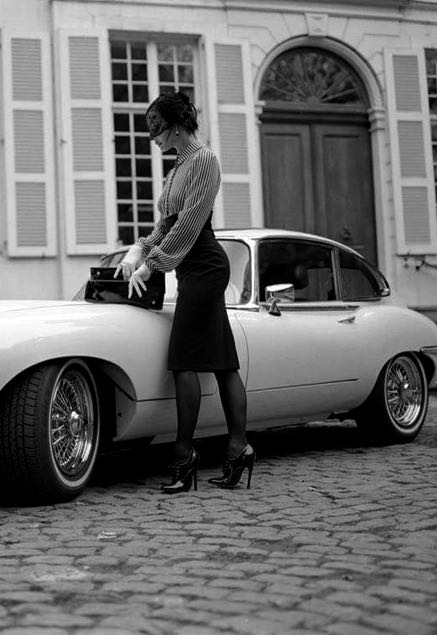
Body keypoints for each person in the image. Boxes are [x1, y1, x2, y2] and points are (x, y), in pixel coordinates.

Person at [114, 91, 253, 494]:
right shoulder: (177, 166)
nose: (152, 138)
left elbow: (190, 224)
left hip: (206, 267)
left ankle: (183, 455)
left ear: (175, 126)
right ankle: (238, 449)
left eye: (156, 129)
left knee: (183, 361)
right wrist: (138, 249)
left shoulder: (205, 161)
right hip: (191, 270)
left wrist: (153, 263)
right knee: (223, 363)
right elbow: (166, 223)